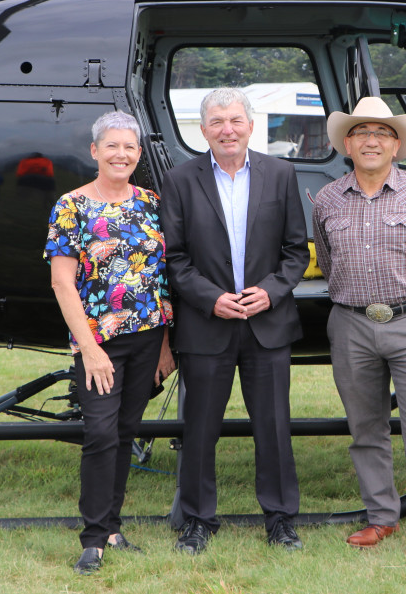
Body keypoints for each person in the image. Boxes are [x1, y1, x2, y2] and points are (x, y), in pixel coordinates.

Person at [311, 97, 406, 569]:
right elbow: (328, 261)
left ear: (397, 145)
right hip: (351, 323)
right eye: (361, 132)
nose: (371, 140)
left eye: (382, 132)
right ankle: (381, 515)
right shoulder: (327, 199)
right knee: (366, 428)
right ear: (347, 144)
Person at [161, 87, 309, 555]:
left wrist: (269, 291)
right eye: (217, 121)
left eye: (236, 120)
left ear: (250, 125)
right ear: (203, 129)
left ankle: (281, 520)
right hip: (208, 324)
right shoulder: (180, 180)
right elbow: (175, 257)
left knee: (273, 425)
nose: (227, 129)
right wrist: (211, 299)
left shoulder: (281, 173)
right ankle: (198, 520)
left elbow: (295, 251)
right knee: (200, 429)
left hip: (267, 323)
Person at [44, 110, 176, 575]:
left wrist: (166, 345)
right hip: (98, 342)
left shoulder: (151, 202)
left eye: (130, 147)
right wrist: (90, 349)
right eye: (113, 146)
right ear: (95, 151)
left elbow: (164, 276)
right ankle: (93, 538)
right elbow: (63, 284)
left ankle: (113, 527)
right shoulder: (71, 206)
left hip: (148, 339)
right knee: (100, 433)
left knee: (125, 432)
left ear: (139, 154)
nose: (122, 154)